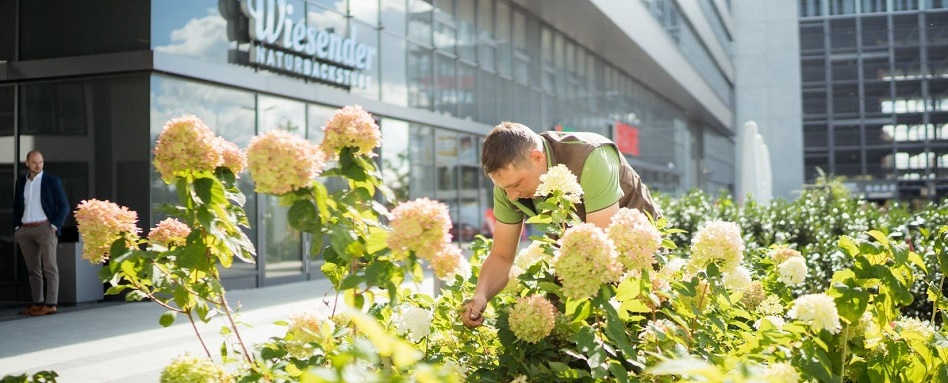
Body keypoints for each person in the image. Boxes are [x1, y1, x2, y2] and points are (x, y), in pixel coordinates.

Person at [461, 122, 660, 328]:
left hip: (636, 253)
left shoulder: (591, 156)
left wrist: (561, 305)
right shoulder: (507, 186)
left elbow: (599, 250)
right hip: (576, 256)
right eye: (504, 188)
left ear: (537, 158)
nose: (511, 196)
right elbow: (501, 256)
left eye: (516, 184)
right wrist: (481, 296)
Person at [13, 150, 70, 316]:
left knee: (49, 267)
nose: (38, 165)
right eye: (34, 162)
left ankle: (51, 304)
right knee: (33, 270)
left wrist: (54, 226)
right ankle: (37, 303)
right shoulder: (21, 183)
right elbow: (17, 206)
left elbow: (64, 206)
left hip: (45, 228)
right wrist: (17, 227)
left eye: (41, 162)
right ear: (27, 163)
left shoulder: (52, 181)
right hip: (25, 230)